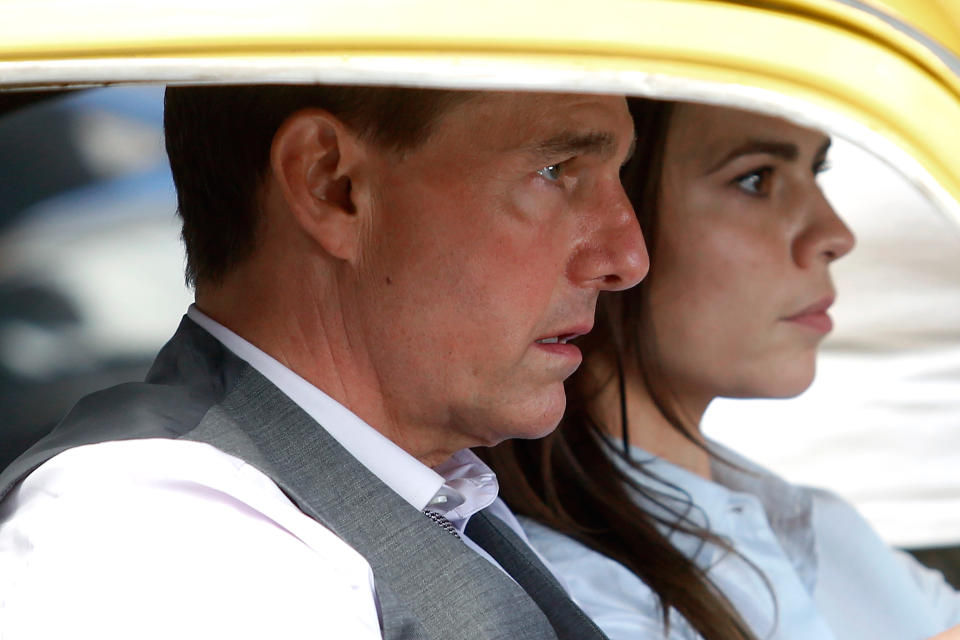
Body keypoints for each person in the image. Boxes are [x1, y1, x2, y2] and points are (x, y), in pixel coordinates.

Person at [0, 85, 648, 639]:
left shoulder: (410, 492)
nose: (627, 256)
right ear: (331, 185)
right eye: (555, 170)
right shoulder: (159, 539)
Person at [483, 98, 960, 640]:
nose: (834, 235)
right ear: (617, 227)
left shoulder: (823, 529)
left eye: (816, 170)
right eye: (756, 179)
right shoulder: (558, 593)